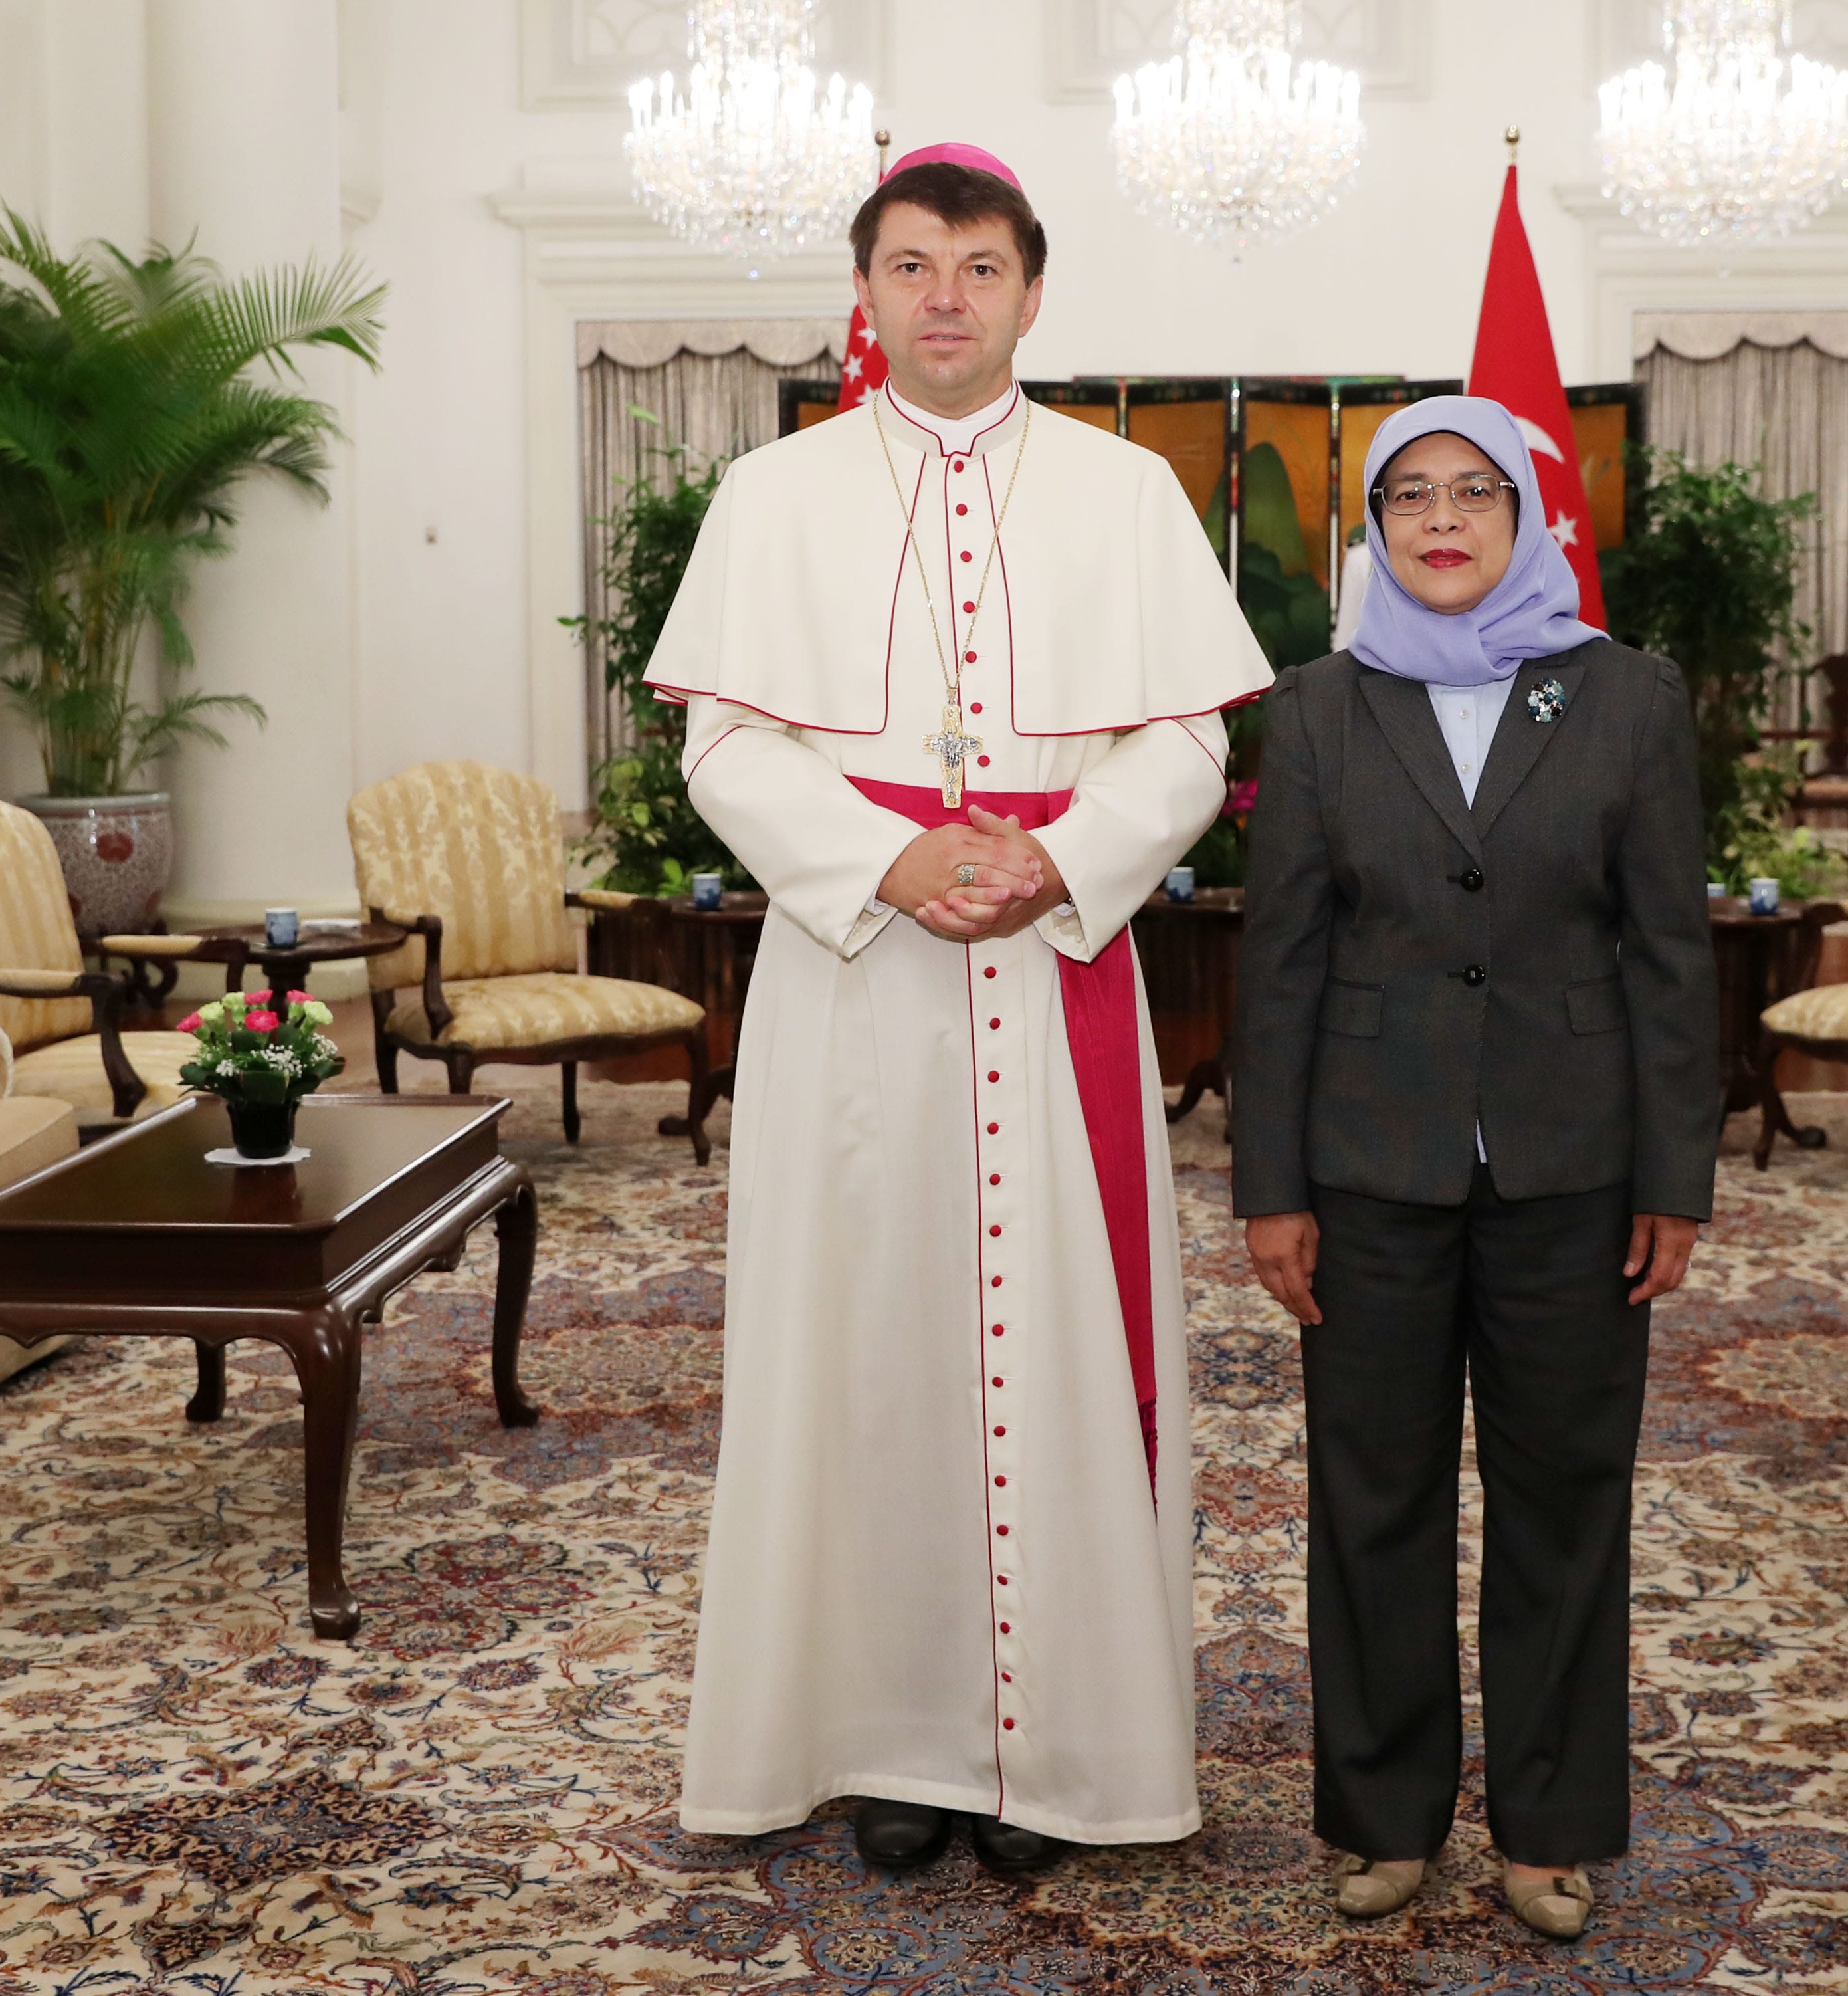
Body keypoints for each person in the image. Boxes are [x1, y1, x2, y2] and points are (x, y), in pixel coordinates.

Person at [645, 146, 1271, 1872]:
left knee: (1072, 1352)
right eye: (911, 265)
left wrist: (1062, 859)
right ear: (866, 291)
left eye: (977, 267)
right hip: (858, 989)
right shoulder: (771, 496)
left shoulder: (1125, 493)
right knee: (866, 1353)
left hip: (1055, 963)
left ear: (1028, 291)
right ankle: (897, 1744)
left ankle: (1061, 1753)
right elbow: (726, 743)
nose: (943, 296)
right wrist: (883, 864)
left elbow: (1188, 742)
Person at [1231, 397, 1719, 1939]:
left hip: (1575, 1168)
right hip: (1367, 1165)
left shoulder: (1626, 695)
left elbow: (1669, 954)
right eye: (1410, 497)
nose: (1443, 522)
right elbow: (1281, 965)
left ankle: (1549, 1825)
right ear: (1372, 529)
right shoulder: (1316, 706)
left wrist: (1676, 1173)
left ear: (1527, 518)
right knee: (1372, 1494)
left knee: (1564, 1496)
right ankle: (1382, 1817)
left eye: (1475, 494)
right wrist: (1270, 1185)